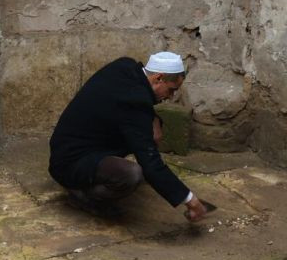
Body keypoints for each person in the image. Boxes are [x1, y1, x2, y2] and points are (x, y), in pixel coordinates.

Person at [48, 51, 209, 223]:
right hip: (70, 162)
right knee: (133, 174)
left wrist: (154, 120)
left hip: (66, 147)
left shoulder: (125, 67)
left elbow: (133, 107)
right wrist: (189, 199)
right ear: (158, 78)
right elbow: (150, 162)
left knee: (147, 132)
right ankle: (84, 197)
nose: (170, 97)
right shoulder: (135, 102)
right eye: (171, 90)